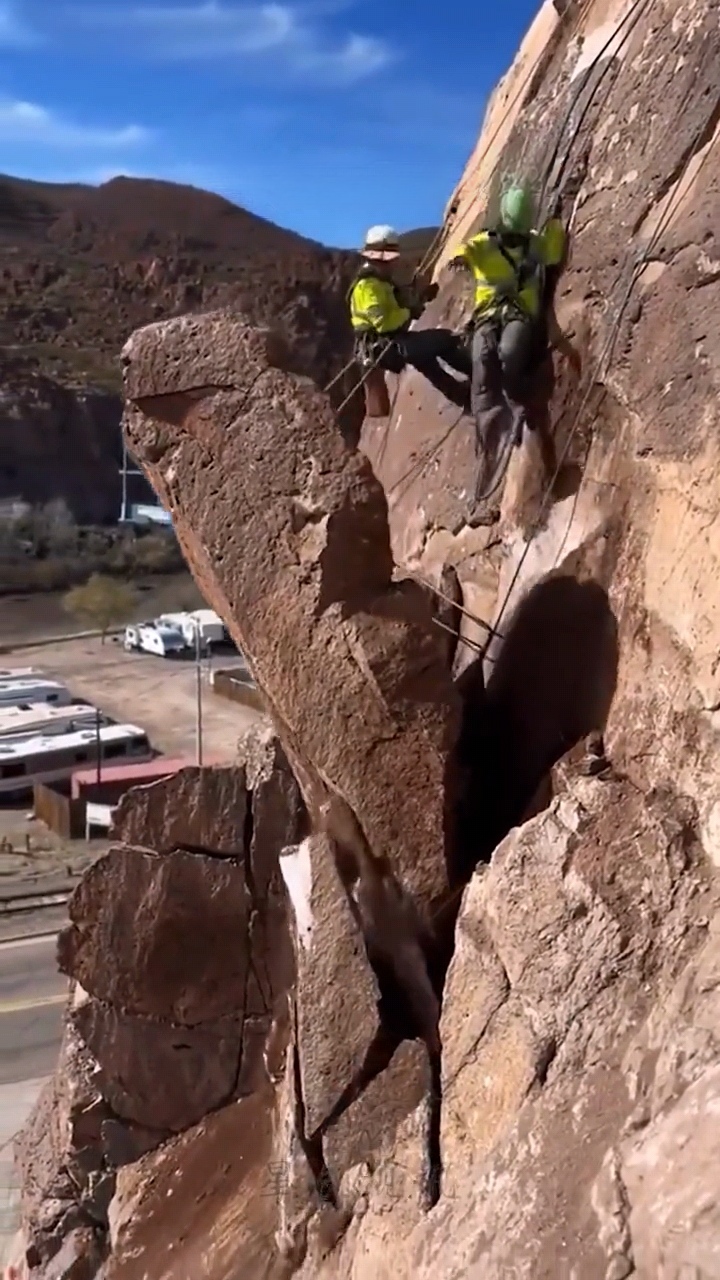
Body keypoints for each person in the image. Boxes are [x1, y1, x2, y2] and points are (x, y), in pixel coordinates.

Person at [449, 183, 566, 502]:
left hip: (518, 315)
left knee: (510, 352)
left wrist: (556, 219)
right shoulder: (486, 244)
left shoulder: (533, 244)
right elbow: (466, 249)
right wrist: (459, 258)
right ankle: (489, 430)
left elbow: (553, 251)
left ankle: (516, 401)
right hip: (488, 315)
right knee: (482, 359)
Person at [348, 225, 471, 411]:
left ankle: (462, 396)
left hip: (386, 345)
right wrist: (409, 311)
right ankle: (478, 375)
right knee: (443, 339)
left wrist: (421, 298)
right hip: (383, 347)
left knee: (424, 359)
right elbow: (383, 323)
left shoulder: (380, 282)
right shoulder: (368, 287)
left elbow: (397, 305)